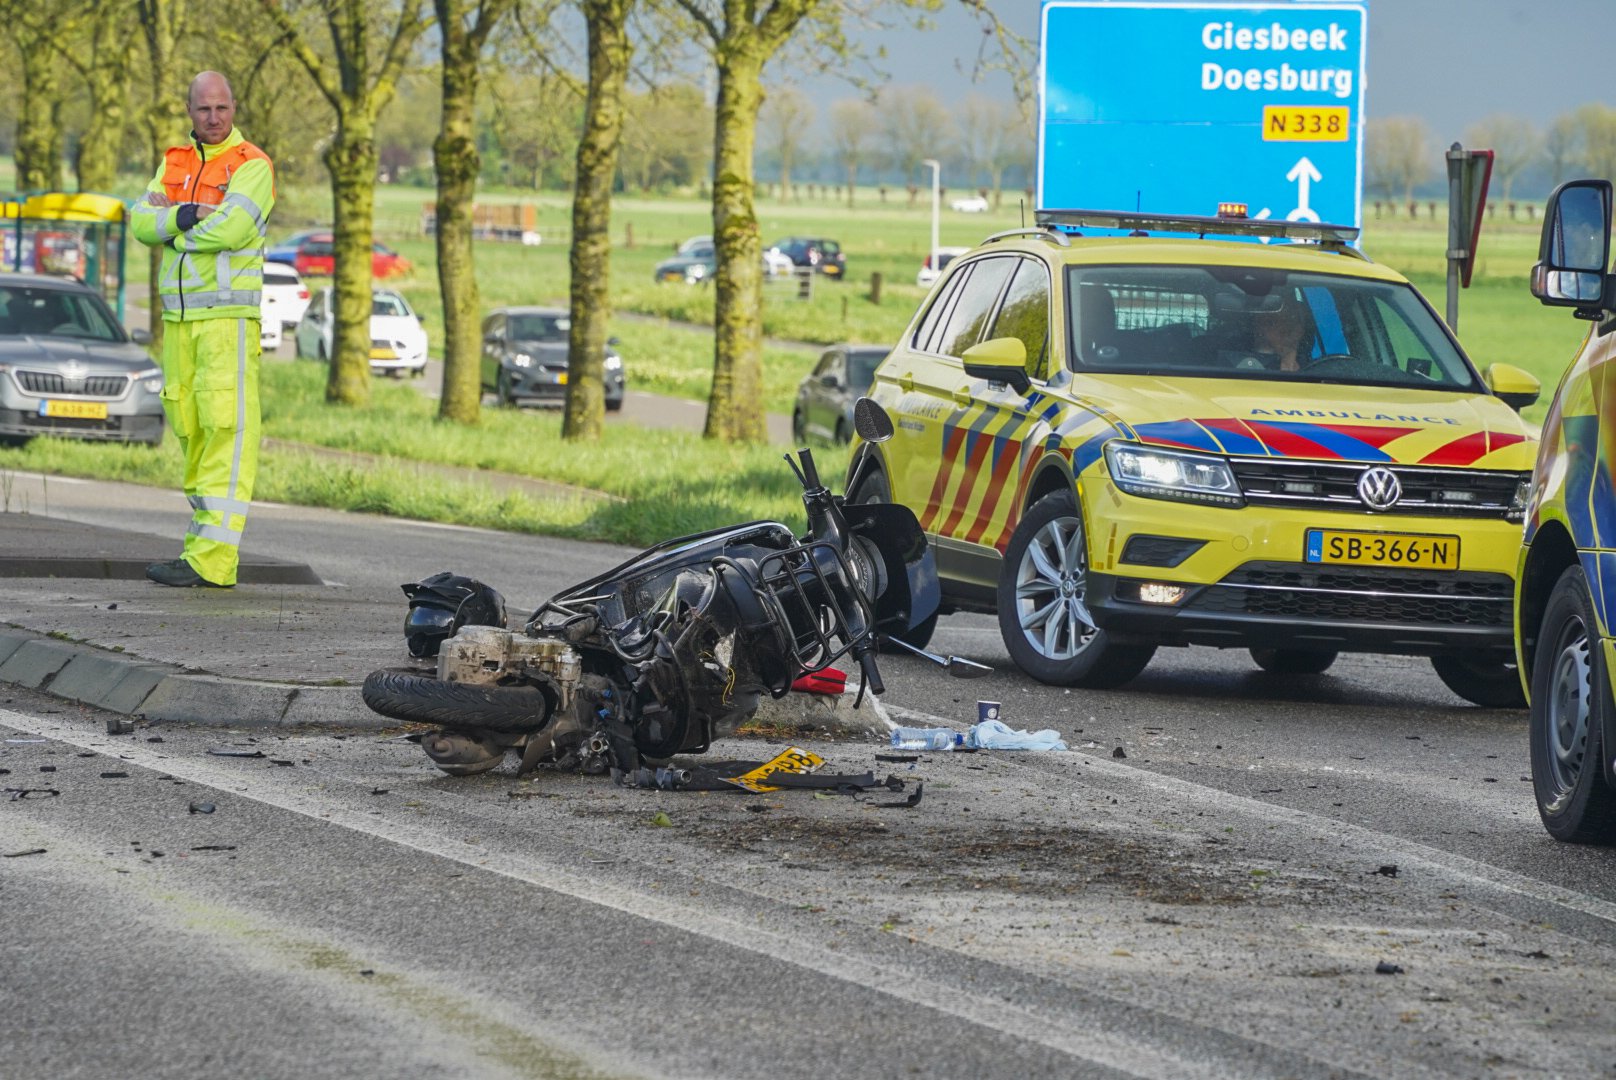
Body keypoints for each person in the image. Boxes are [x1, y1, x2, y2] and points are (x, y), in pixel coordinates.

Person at [131, 72, 275, 588]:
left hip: (227, 323)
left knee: (225, 432)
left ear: (234, 107)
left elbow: (233, 228)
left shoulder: (251, 165)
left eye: (222, 108)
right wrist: (185, 216)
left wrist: (173, 232)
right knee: (190, 429)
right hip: (180, 321)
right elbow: (139, 221)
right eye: (203, 110)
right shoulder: (173, 162)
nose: (214, 118)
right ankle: (198, 551)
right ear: (189, 111)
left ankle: (213, 562)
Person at [1249, 292, 1312, 372]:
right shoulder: (1232, 368)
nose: (1260, 329)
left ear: (1296, 332)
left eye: (1270, 323)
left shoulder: (1315, 374)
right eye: (1257, 322)